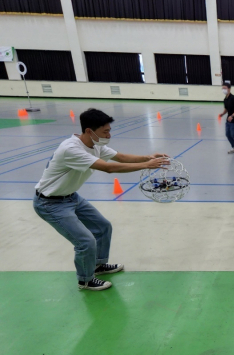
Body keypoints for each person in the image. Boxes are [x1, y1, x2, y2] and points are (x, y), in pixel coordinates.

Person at [33, 109, 170, 291]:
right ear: (90, 131)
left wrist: (148, 157)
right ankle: (85, 280)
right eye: (105, 131)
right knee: (85, 241)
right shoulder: (71, 149)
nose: (109, 134)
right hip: (50, 203)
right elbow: (108, 168)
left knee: (102, 227)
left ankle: (97, 265)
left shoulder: (95, 144)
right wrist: (146, 166)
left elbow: (119, 157)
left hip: (71, 196)